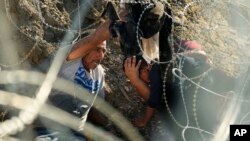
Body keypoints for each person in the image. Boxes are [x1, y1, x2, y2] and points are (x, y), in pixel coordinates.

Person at [35, 29, 110, 141]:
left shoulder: (99, 73)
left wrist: (107, 126)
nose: (101, 55)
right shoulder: (70, 60)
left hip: (76, 134)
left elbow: (95, 108)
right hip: (48, 129)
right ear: (84, 48)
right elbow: (92, 40)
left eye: (104, 51)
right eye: (97, 49)